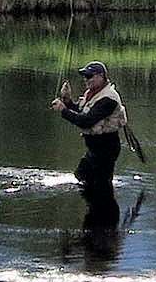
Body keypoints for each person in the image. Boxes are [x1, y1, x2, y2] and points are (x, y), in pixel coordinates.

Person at [52, 60, 126, 195]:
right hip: (96, 149)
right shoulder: (93, 93)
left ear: (101, 76)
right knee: (82, 178)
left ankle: (103, 214)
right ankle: (96, 213)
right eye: (85, 76)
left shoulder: (109, 98)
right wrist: (67, 101)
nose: (86, 80)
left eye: (89, 76)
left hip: (106, 150)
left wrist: (63, 110)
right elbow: (81, 110)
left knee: (101, 188)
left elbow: (86, 121)